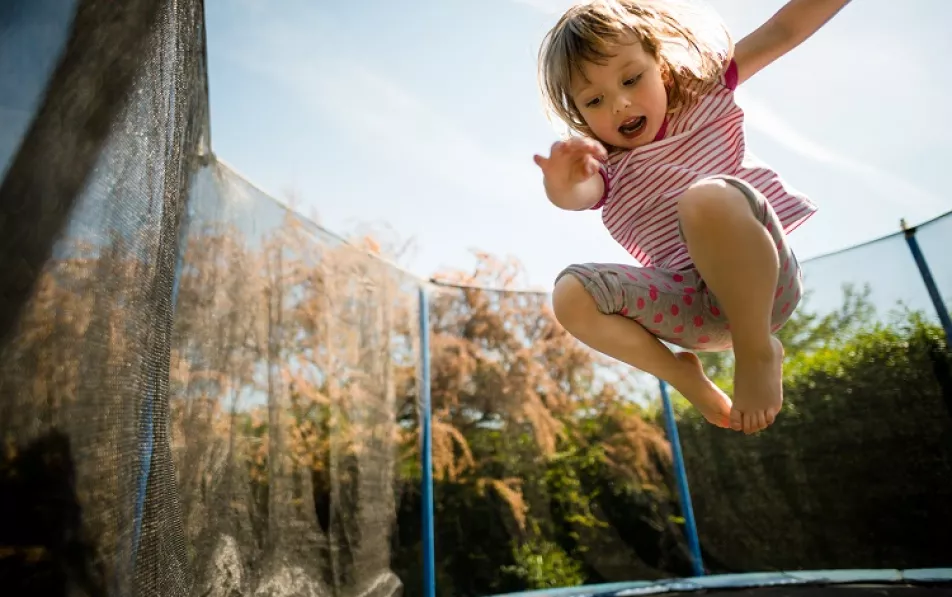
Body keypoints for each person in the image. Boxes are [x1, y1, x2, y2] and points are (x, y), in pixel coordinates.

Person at [533, 0, 851, 434]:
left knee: (704, 200)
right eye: (595, 100)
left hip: (763, 285)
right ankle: (682, 375)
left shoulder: (707, 93)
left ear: (660, 66)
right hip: (693, 311)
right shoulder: (605, 166)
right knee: (570, 294)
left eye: (631, 78)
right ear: (579, 113)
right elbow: (577, 195)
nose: (621, 104)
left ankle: (756, 350)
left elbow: (783, 30)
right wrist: (561, 182)